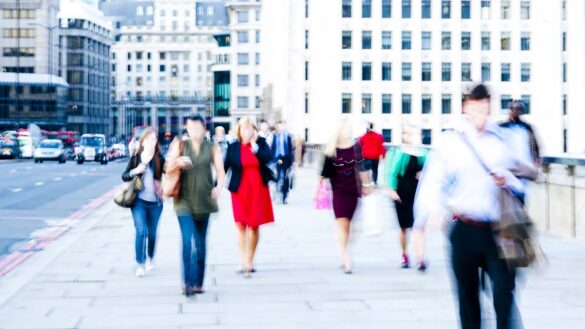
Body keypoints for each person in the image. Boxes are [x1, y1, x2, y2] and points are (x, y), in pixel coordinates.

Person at [414, 84, 537, 329]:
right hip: (464, 228)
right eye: (475, 107)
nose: (480, 114)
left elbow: (525, 180)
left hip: (501, 230)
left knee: (504, 295)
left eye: (484, 108)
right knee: (467, 299)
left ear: (489, 107)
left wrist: (508, 179)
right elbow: (433, 181)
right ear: (465, 108)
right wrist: (430, 213)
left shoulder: (507, 139)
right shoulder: (451, 142)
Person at [166, 115, 226, 296]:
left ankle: (198, 282)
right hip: (183, 201)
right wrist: (177, 162)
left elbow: (220, 170)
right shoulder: (180, 144)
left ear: (204, 129)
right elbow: (168, 169)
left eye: (197, 127)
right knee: (187, 240)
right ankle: (187, 282)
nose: (194, 131)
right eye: (190, 128)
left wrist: (218, 189)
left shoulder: (212, 147)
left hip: (204, 201)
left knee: (200, 244)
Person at [320, 118, 372, 274]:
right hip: (338, 192)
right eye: (344, 128)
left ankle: (344, 250)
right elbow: (323, 173)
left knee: (351, 227)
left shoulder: (356, 148)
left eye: (349, 128)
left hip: (353, 191)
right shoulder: (332, 150)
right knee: (342, 224)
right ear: (339, 131)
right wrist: (318, 191)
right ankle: (345, 257)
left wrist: (367, 185)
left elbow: (362, 167)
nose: (347, 131)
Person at [224, 116, 275, 278]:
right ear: (239, 130)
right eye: (244, 128)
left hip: (257, 189)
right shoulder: (233, 146)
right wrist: (215, 185)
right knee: (240, 225)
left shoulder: (260, 143)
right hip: (239, 190)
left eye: (250, 128)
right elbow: (224, 167)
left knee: (254, 225)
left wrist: (255, 148)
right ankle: (243, 259)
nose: (247, 131)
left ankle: (250, 259)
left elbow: (269, 159)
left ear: (254, 129)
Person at [121, 127, 165, 278]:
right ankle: (140, 263)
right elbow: (125, 175)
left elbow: (169, 173)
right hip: (138, 201)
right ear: (143, 141)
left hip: (155, 203)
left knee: (152, 234)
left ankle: (150, 258)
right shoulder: (136, 157)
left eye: (154, 139)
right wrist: (135, 171)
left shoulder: (159, 157)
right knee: (141, 231)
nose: (152, 142)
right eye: (149, 139)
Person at [387, 124, 429, 271]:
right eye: (411, 134)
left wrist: (424, 176)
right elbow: (392, 173)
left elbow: (431, 173)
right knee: (404, 227)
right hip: (402, 194)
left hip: (419, 194)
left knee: (419, 226)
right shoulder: (400, 152)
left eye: (418, 134)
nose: (415, 137)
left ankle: (420, 258)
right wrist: (392, 190)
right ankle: (404, 255)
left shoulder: (425, 153)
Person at [500, 100, 541, 165]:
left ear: (521, 112)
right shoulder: (502, 127)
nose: (515, 111)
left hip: (525, 165)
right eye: (512, 108)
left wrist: (537, 158)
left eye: (518, 109)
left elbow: (535, 146)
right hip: (508, 166)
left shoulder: (527, 127)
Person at [271, 121, 294, 204]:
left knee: (285, 177)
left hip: (286, 159)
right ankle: (278, 193)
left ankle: (284, 196)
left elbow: (291, 149)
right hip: (278, 158)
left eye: (282, 126)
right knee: (277, 177)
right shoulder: (275, 136)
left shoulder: (288, 136)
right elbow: (272, 148)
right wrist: (272, 160)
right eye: (279, 126)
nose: (281, 127)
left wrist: (292, 162)